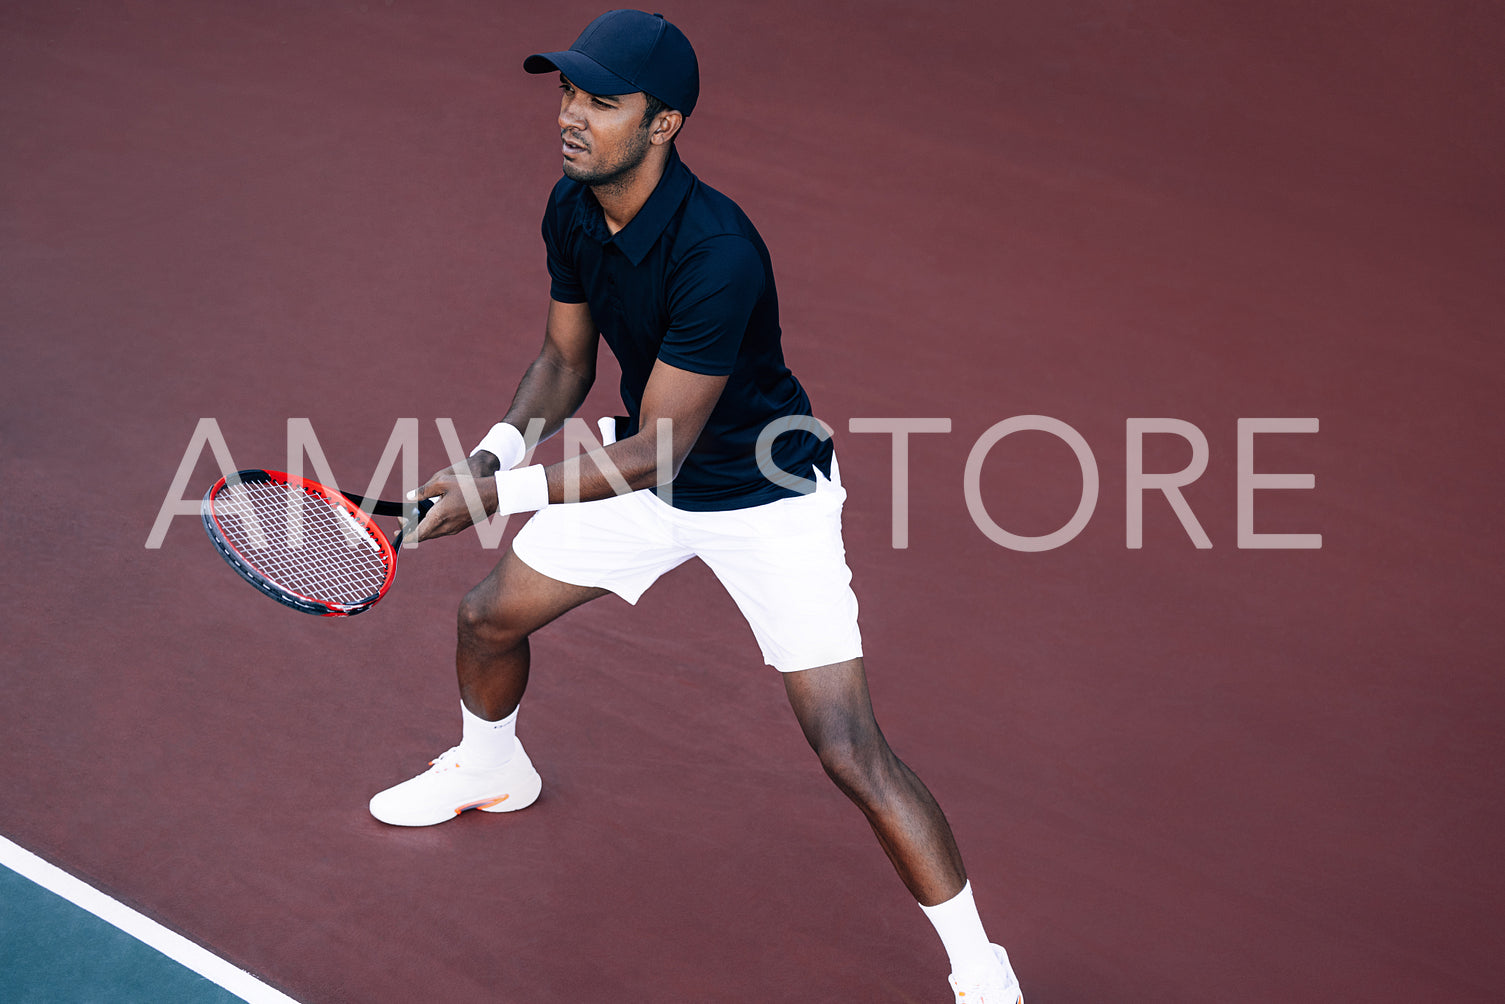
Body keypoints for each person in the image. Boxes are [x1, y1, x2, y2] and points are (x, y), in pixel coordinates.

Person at [368, 10, 1023, 1002]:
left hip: (765, 496)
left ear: (664, 123)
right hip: (644, 479)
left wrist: (495, 495)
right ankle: (489, 766)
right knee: (486, 615)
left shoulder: (718, 251)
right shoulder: (574, 206)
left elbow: (663, 444)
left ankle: (980, 970)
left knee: (847, 746)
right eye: (566, 93)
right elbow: (562, 360)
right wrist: (487, 455)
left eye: (601, 101)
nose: (572, 117)